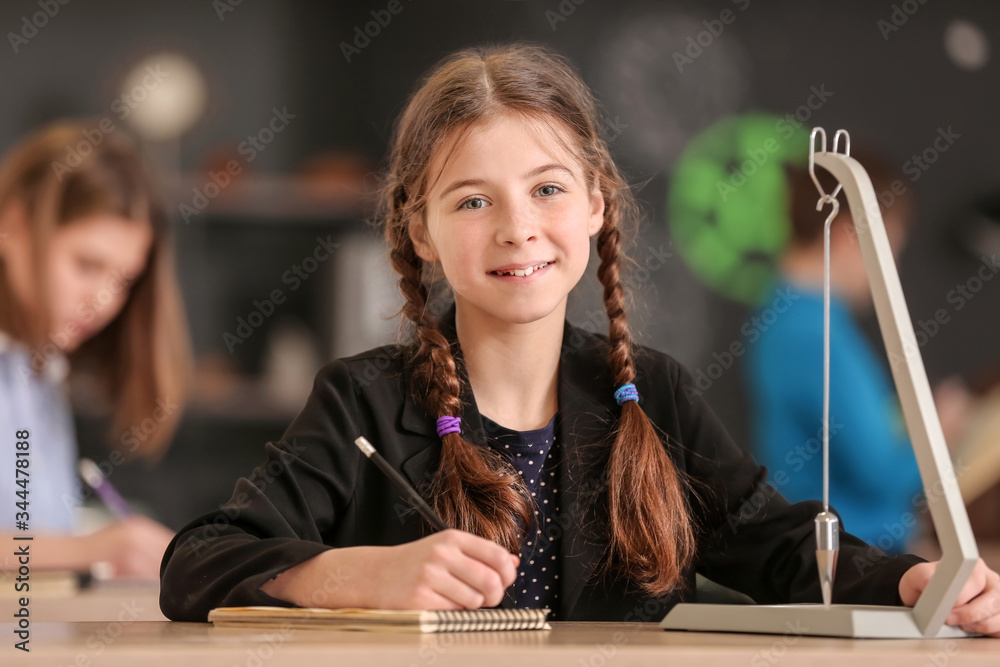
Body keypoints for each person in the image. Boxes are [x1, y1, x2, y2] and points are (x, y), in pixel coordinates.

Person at [159, 44, 1000, 633]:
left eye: (548, 189)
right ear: (419, 229)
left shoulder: (653, 392)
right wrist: (353, 576)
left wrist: (910, 580)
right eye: (472, 200)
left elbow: (779, 546)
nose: (518, 230)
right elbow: (197, 561)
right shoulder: (363, 398)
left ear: (596, 204)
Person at [745, 154, 971, 553]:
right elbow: (881, 474)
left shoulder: (796, 319)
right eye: (890, 248)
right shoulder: (811, 333)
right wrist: (941, 432)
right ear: (852, 233)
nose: (891, 267)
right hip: (851, 556)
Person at [0, 120, 191, 578]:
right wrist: (96, 548)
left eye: (123, 280)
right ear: (13, 225)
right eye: (88, 264)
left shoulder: (38, 368)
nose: (104, 303)